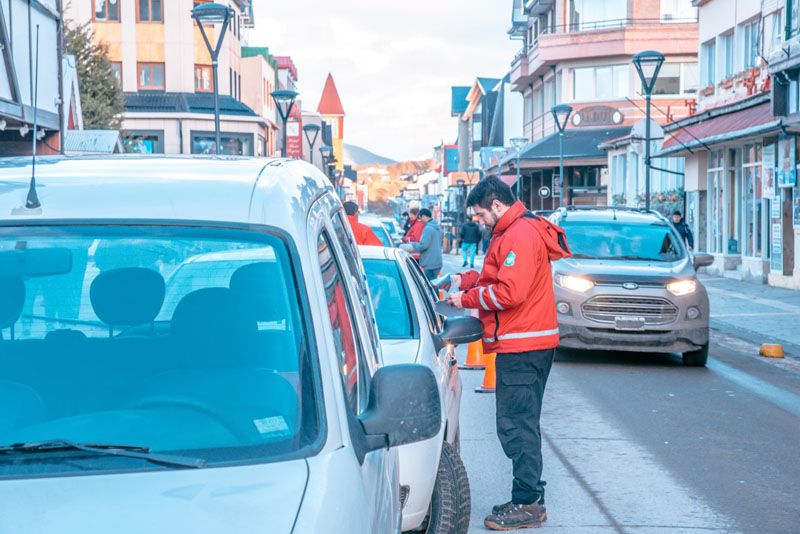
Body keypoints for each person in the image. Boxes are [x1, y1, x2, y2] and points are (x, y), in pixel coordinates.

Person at [444, 177, 570, 531]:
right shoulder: (512, 230)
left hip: (524, 344)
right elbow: (498, 277)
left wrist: (465, 300)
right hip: (527, 341)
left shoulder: (519, 234)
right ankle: (528, 495)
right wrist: (468, 280)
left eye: (481, 214)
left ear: (497, 205)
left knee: (516, 426)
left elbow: (509, 293)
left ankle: (527, 502)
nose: (479, 221)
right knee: (520, 423)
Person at [404, 208, 442, 280]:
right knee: (434, 284)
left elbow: (423, 245)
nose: (420, 220)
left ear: (424, 216)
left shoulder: (428, 228)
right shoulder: (437, 227)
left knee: (430, 286)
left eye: (420, 218)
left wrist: (412, 244)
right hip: (437, 261)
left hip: (429, 262)